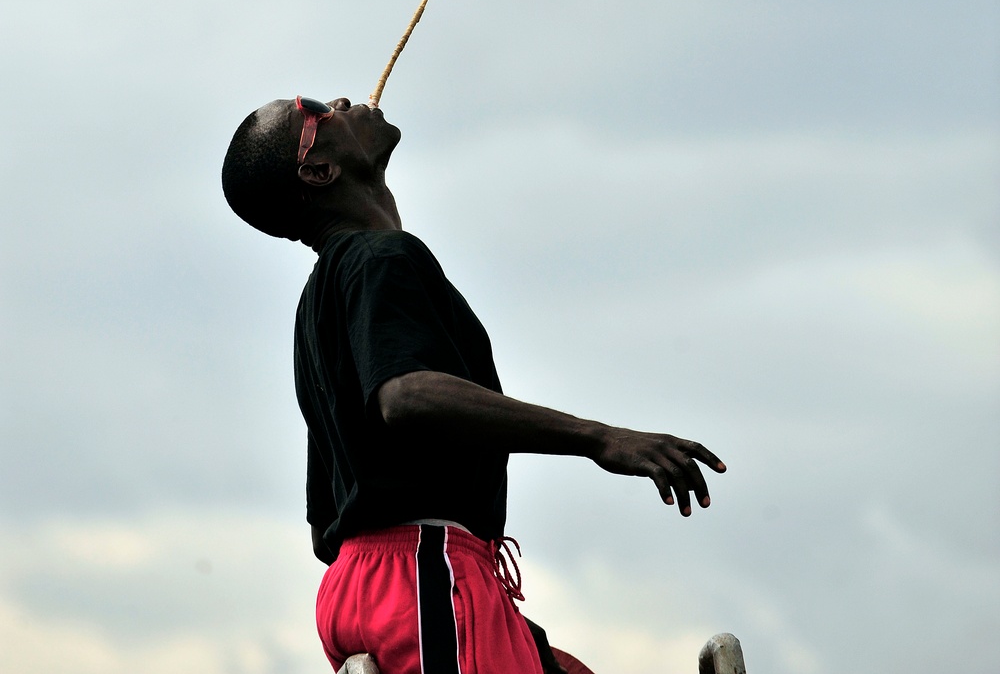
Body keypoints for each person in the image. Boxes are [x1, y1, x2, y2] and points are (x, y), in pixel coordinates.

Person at [222, 95, 727, 674]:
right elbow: (404, 396)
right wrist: (599, 438)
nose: (338, 100)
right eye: (316, 109)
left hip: (364, 587)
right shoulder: (383, 258)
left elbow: (323, 531)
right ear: (319, 171)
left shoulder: (319, 304)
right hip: (421, 571)